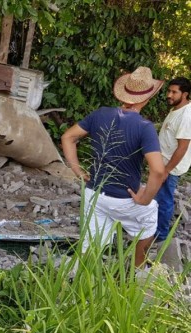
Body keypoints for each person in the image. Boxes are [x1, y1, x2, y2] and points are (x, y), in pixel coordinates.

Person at [61, 66, 166, 267]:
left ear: (123, 93)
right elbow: (158, 171)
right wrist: (145, 198)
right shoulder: (145, 127)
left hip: (94, 194)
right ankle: (136, 272)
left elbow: (68, 137)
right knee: (150, 219)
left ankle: (85, 285)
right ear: (147, 98)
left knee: (90, 247)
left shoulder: (100, 114)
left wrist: (77, 170)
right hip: (125, 199)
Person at [154, 77, 191, 243]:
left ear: (185, 94)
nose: (169, 95)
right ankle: (153, 229)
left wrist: (166, 170)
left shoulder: (186, 115)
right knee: (157, 197)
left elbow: (182, 147)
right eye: (169, 91)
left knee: (164, 200)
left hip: (170, 167)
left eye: (174, 92)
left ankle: (160, 236)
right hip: (163, 164)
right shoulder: (176, 109)